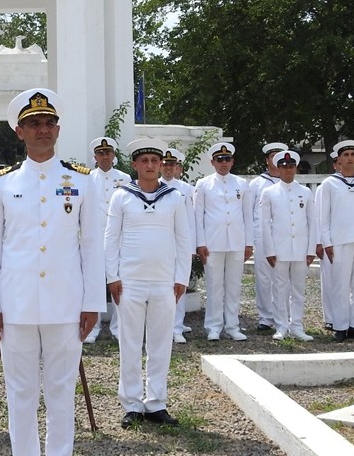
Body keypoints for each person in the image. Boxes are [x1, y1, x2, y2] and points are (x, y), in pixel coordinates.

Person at [0, 89, 104, 456]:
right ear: (19, 131)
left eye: (49, 122)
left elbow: (92, 246)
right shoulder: (3, 182)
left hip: (66, 304)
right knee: (20, 395)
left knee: (61, 394)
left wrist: (93, 302)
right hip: (14, 305)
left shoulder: (83, 180)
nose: (43, 129)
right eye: (34, 123)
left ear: (58, 128)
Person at [105, 138, 191, 428]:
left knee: (160, 343)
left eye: (156, 161)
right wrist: (112, 277)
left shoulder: (175, 197)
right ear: (135, 165)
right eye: (145, 161)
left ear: (162, 165)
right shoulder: (122, 196)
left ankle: (156, 403)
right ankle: (131, 404)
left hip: (164, 282)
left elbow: (183, 239)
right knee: (129, 343)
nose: (151, 166)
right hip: (130, 281)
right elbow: (110, 238)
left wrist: (181, 278)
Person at [317, 140, 354, 342]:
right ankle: (340, 325)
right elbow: (323, 217)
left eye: (353, 154)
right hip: (339, 241)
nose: (350, 158)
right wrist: (326, 242)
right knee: (340, 285)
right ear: (339, 160)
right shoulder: (329, 184)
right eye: (346, 155)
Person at [193, 142, 252, 341]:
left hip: (236, 241)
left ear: (232, 161)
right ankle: (213, 326)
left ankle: (233, 326)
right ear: (213, 162)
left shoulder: (242, 184)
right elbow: (198, 216)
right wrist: (200, 243)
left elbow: (247, 216)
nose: (223, 163)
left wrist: (249, 243)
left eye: (227, 159)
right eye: (220, 159)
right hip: (212, 242)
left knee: (234, 285)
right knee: (214, 285)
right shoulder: (203, 184)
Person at [258, 150, 316, 341]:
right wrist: (269, 249)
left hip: (300, 248)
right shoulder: (269, 192)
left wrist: (310, 249)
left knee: (298, 289)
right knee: (279, 288)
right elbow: (264, 223)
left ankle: (297, 326)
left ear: (296, 168)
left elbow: (312, 222)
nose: (287, 170)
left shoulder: (305, 192)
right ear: (278, 169)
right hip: (279, 248)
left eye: (291, 167)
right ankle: (281, 326)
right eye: (284, 167)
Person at [86, 137, 131, 342]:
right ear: (95, 157)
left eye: (108, 152)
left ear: (114, 155)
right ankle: (92, 328)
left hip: (119, 240)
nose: (105, 156)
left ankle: (118, 328)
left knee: (119, 284)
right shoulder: (87, 178)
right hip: (94, 239)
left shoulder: (125, 178)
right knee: (93, 285)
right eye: (100, 153)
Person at [247, 142, 288, 334]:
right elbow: (249, 212)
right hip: (262, 235)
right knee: (264, 277)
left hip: (285, 235)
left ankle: (283, 314)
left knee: (283, 277)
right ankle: (265, 317)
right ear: (267, 159)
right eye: (272, 155)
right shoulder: (256, 184)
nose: (276, 159)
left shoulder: (289, 182)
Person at [160, 148, 196, 343]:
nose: (168, 168)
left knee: (179, 284)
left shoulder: (186, 189)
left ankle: (177, 327)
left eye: (171, 165)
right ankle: (162, 327)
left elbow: (191, 221)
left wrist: (191, 248)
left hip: (180, 245)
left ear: (177, 167)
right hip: (161, 246)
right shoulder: (152, 187)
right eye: (165, 164)